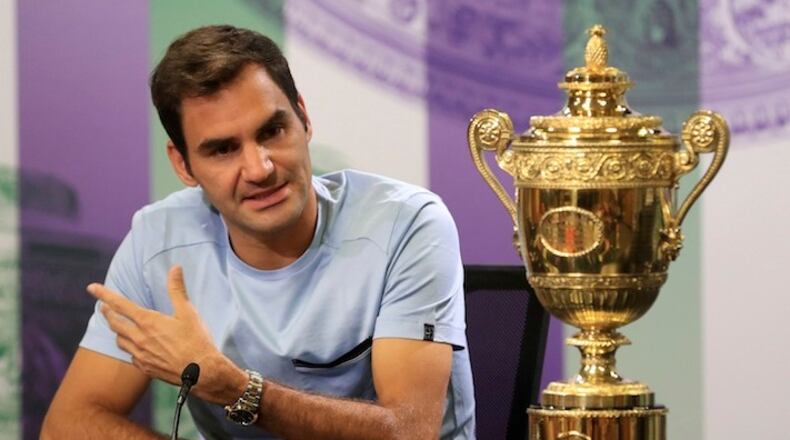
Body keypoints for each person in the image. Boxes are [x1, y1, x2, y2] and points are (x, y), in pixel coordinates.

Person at [41, 25, 475, 439]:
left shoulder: (407, 223)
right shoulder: (159, 239)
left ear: (303, 119)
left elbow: (410, 431)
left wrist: (232, 387)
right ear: (183, 165)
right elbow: (69, 424)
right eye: (223, 149)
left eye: (272, 131)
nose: (260, 168)